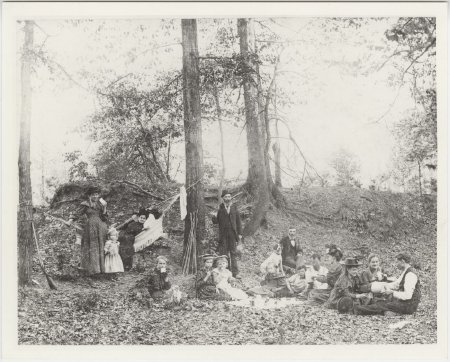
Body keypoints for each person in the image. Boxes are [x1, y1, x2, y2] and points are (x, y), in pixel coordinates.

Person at [354, 253, 421, 316]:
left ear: (403, 261)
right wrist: (384, 285)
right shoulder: (406, 271)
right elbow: (396, 284)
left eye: (397, 262)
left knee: (383, 305)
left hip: (409, 305)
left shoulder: (410, 275)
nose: (396, 264)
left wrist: (392, 292)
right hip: (405, 303)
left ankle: (359, 310)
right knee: (383, 304)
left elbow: (407, 296)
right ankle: (362, 309)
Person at [69, 187, 108, 276]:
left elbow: (104, 218)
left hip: (100, 227)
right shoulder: (85, 204)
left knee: (99, 246)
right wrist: (70, 220)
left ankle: (100, 270)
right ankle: (91, 270)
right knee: (90, 246)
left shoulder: (100, 205)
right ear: (89, 195)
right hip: (90, 227)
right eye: (93, 194)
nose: (95, 196)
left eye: (97, 194)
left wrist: (105, 207)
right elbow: (77, 213)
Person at [213, 190, 243, 279]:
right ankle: (226, 272)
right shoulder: (220, 209)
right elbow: (215, 222)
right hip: (223, 235)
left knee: (233, 253)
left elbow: (238, 222)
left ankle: (235, 272)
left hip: (233, 234)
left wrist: (240, 233)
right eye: (226, 197)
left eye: (229, 197)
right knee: (224, 254)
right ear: (223, 198)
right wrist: (214, 216)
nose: (227, 198)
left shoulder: (234, 208)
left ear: (231, 198)